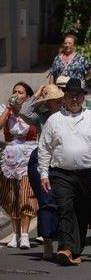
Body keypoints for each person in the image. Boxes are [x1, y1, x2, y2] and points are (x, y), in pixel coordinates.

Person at [38, 78, 91, 265]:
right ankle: (65, 247)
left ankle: (75, 250)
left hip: (86, 174)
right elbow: (44, 148)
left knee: (81, 212)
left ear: (83, 97)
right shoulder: (54, 120)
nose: (74, 99)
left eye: (78, 95)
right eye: (71, 95)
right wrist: (44, 174)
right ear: (65, 97)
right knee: (65, 208)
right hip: (61, 173)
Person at [22, 84, 64, 259]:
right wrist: (37, 94)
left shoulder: (68, 115)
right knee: (46, 202)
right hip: (41, 159)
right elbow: (24, 112)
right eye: (54, 100)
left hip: (62, 160)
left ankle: (63, 240)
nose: (58, 103)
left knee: (63, 201)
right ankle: (47, 240)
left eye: (59, 100)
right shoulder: (40, 116)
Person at [0, 82, 38, 250]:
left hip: (28, 155)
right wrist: (8, 108)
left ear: (27, 97)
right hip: (10, 157)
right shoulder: (6, 111)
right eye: (14, 91)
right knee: (12, 195)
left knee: (26, 194)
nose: (16, 94)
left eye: (20, 92)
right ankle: (14, 234)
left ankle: (24, 235)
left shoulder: (33, 112)